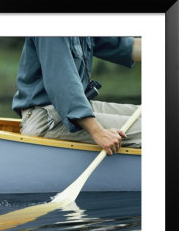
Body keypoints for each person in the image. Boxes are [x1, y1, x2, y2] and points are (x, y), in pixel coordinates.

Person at [12, 37, 141, 155]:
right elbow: (63, 86)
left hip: (76, 110)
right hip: (47, 120)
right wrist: (98, 132)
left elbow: (125, 47)